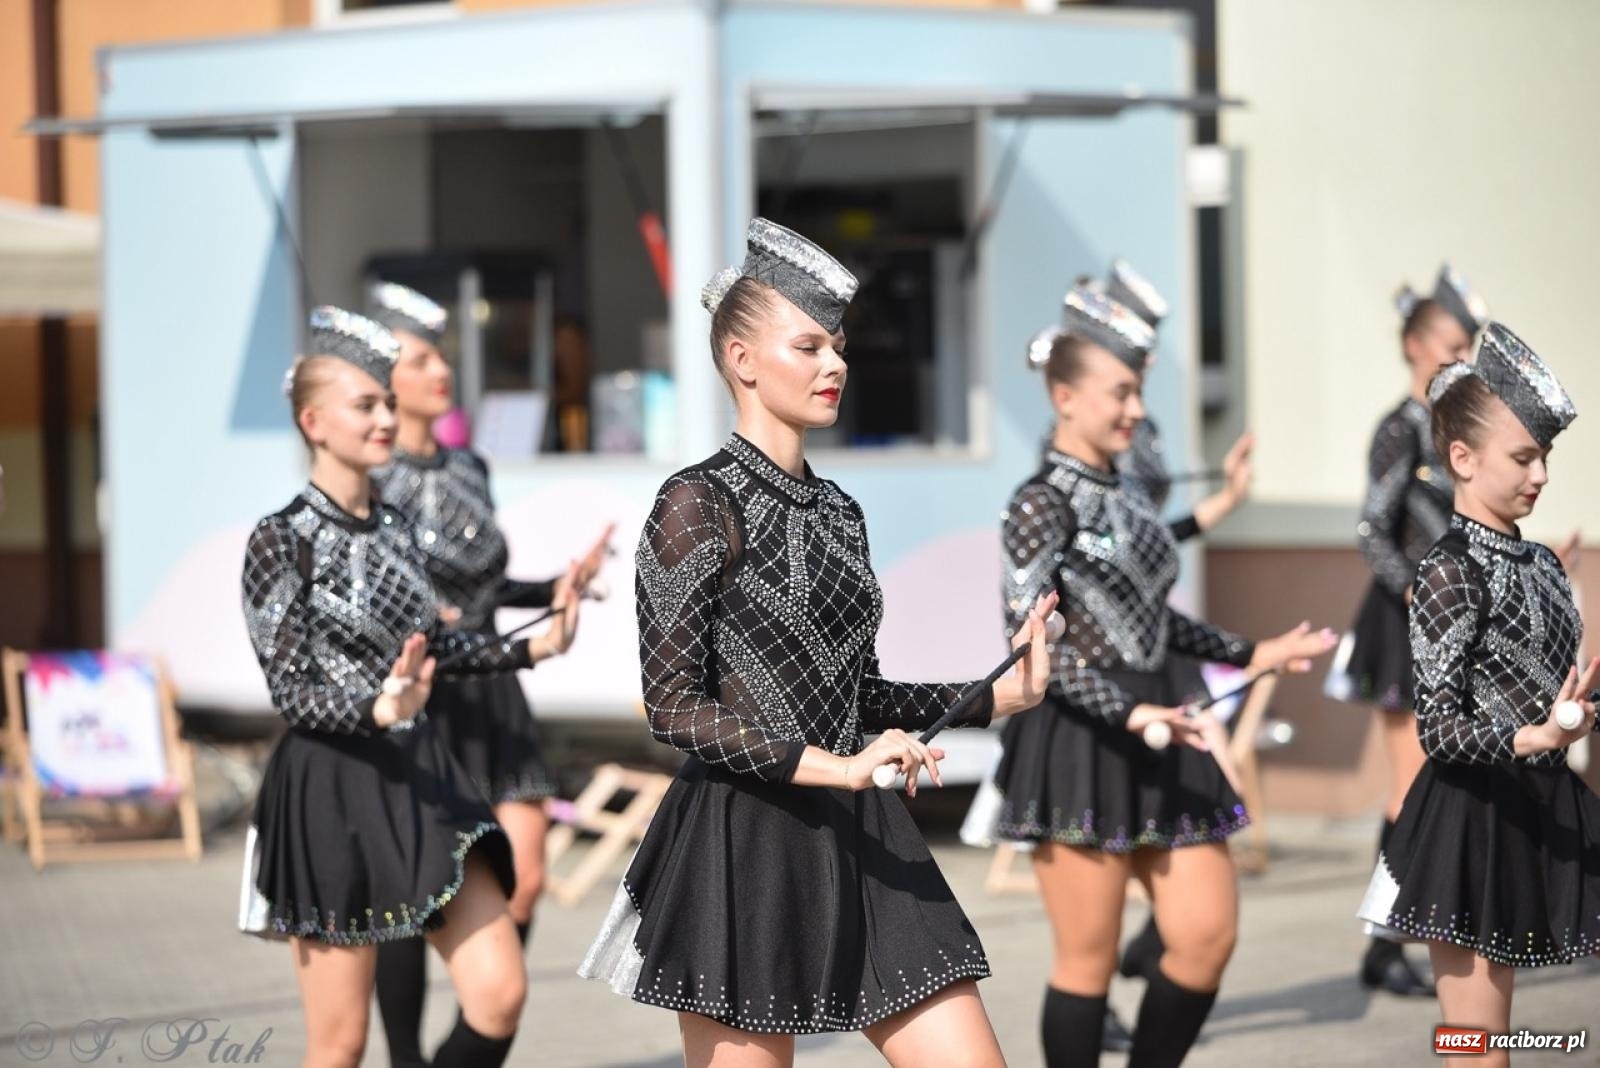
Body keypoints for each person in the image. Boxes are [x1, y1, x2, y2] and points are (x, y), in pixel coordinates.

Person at [579, 217, 1056, 1068]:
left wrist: (995, 698)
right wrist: (832, 766)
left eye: (837, 346)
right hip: (744, 841)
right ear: (743, 359)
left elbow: (860, 694)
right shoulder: (695, 502)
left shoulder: (840, 511)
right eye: (808, 346)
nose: (835, 364)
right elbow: (673, 707)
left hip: (861, 827)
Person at [994, 283, 1337, 1067]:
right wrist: (1127, 713)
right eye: (1121, 393)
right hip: (1082, 739)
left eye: (1138, 392)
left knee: (1207, 935)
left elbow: (1154, 618)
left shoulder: (1127, 495)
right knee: (1087, 960)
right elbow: (1030, 645)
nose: (1137, 410)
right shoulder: (1039, 504)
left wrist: (1252, 652)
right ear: (1065, 397)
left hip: (1162, 722)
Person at [237, 306, 580, 1068]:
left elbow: (439, 646)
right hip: (330, 786)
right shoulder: (280, 538)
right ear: (314, 422)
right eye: (366, 404)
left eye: (388, 402)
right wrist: (375, 704)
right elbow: (290, 690)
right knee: (341, 1045)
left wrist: (534, 647)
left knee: (499, 992)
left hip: (420, 773)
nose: (387, 417)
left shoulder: (393, 528)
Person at [364, 282, 612, 1066]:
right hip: (421, 698)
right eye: (421, 360)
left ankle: (481, 1033)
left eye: (441, 358)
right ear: (383, 378)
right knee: (409, 899)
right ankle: (406, 1058)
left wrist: (559, 587)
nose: (441, 372)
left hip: (497, 694)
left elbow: (487, 586)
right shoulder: (370, 478)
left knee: (527, 878)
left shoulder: (470, 464)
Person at [1357, 323, 1597, 1068]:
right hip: (1473, 818)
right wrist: (1535, 737)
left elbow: (1564, 686)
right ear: (1462, 459)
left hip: (1545, 803)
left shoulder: (1543, 563)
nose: (1541, 475)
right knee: (1478, 1051)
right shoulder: (1447, 569)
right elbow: (1437, 728)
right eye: (1524, 457)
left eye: (1545, 456)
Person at [1338, 265, 1487, 996]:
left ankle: (1411, 935)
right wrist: (1420, 592)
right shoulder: (1399, 427)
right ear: (1415, 346)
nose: (1462, 359)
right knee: (1413, 786)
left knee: (1441, 784)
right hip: (1404, 625)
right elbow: (1372, 529)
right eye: (1452, 347)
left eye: (1469, 349)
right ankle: (1384, 944)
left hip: (1454, 623)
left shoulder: (1460, 428)